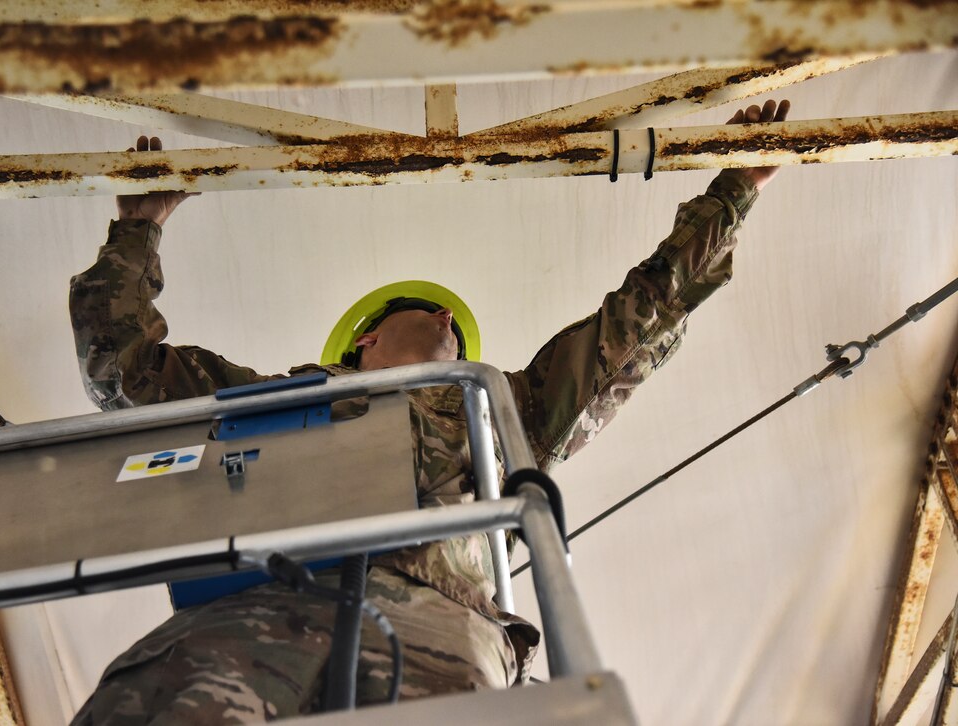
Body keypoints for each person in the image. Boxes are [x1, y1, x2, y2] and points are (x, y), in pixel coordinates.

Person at [68, 100, 791, 724]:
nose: (448, 314)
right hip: (237, 631)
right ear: (366, 340)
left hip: (435, 641)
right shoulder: (277, 399)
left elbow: (641, 319)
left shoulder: (504, 406)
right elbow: (122, 371)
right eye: (429, 312)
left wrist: (733, 191)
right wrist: (139, 227)